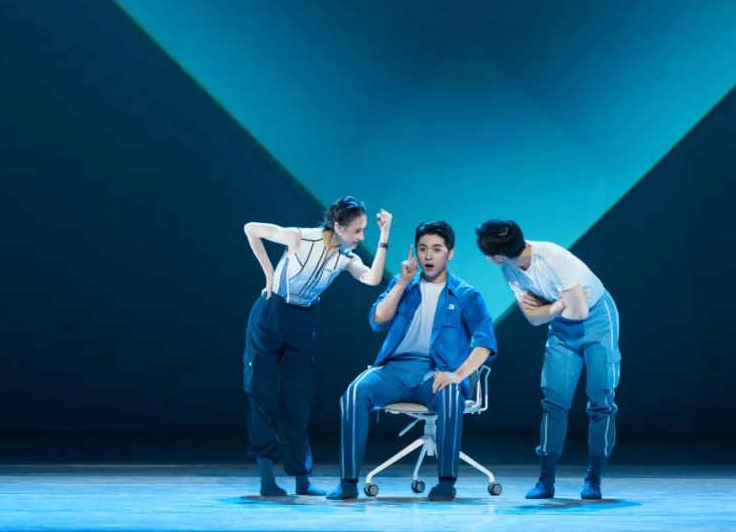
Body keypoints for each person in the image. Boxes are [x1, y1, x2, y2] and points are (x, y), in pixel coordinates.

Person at [328, 221, 497, 501]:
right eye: (422, 248)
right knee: (355, 392)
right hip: (395, 370)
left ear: (450, 254)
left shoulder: (468, 295)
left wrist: (458, 375)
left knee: (451, 393)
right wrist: (403, 282)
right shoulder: (403, 283)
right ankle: (348, 482)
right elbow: (377, 320)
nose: (428, 256)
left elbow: (485, 344)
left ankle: (446, 482)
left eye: (437, 249)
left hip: (437, 373)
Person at [243, 196, 392, 497]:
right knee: (263, 393)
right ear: (338, 226)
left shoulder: (345, 257)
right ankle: (266, 477)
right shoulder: (299, 237)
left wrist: (384, 235)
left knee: (298, 399)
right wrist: (269, 273)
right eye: (357, 231)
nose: (361, 237)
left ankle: (301, 479)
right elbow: (251, 229)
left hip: (302, 320)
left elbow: (373, 278)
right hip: (272, 313)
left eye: (364, 231)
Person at [476, 219, 620, 500]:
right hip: (562, 329)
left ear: (498, 255)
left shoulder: (553, 258)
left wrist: (549, 309)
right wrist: (559, 304)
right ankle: (545, 479)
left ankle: (594, 477)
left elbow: (579, 312)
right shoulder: (510, 270)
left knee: (601, 398)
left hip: (599, 320)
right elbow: (533, 318)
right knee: (554, 400)